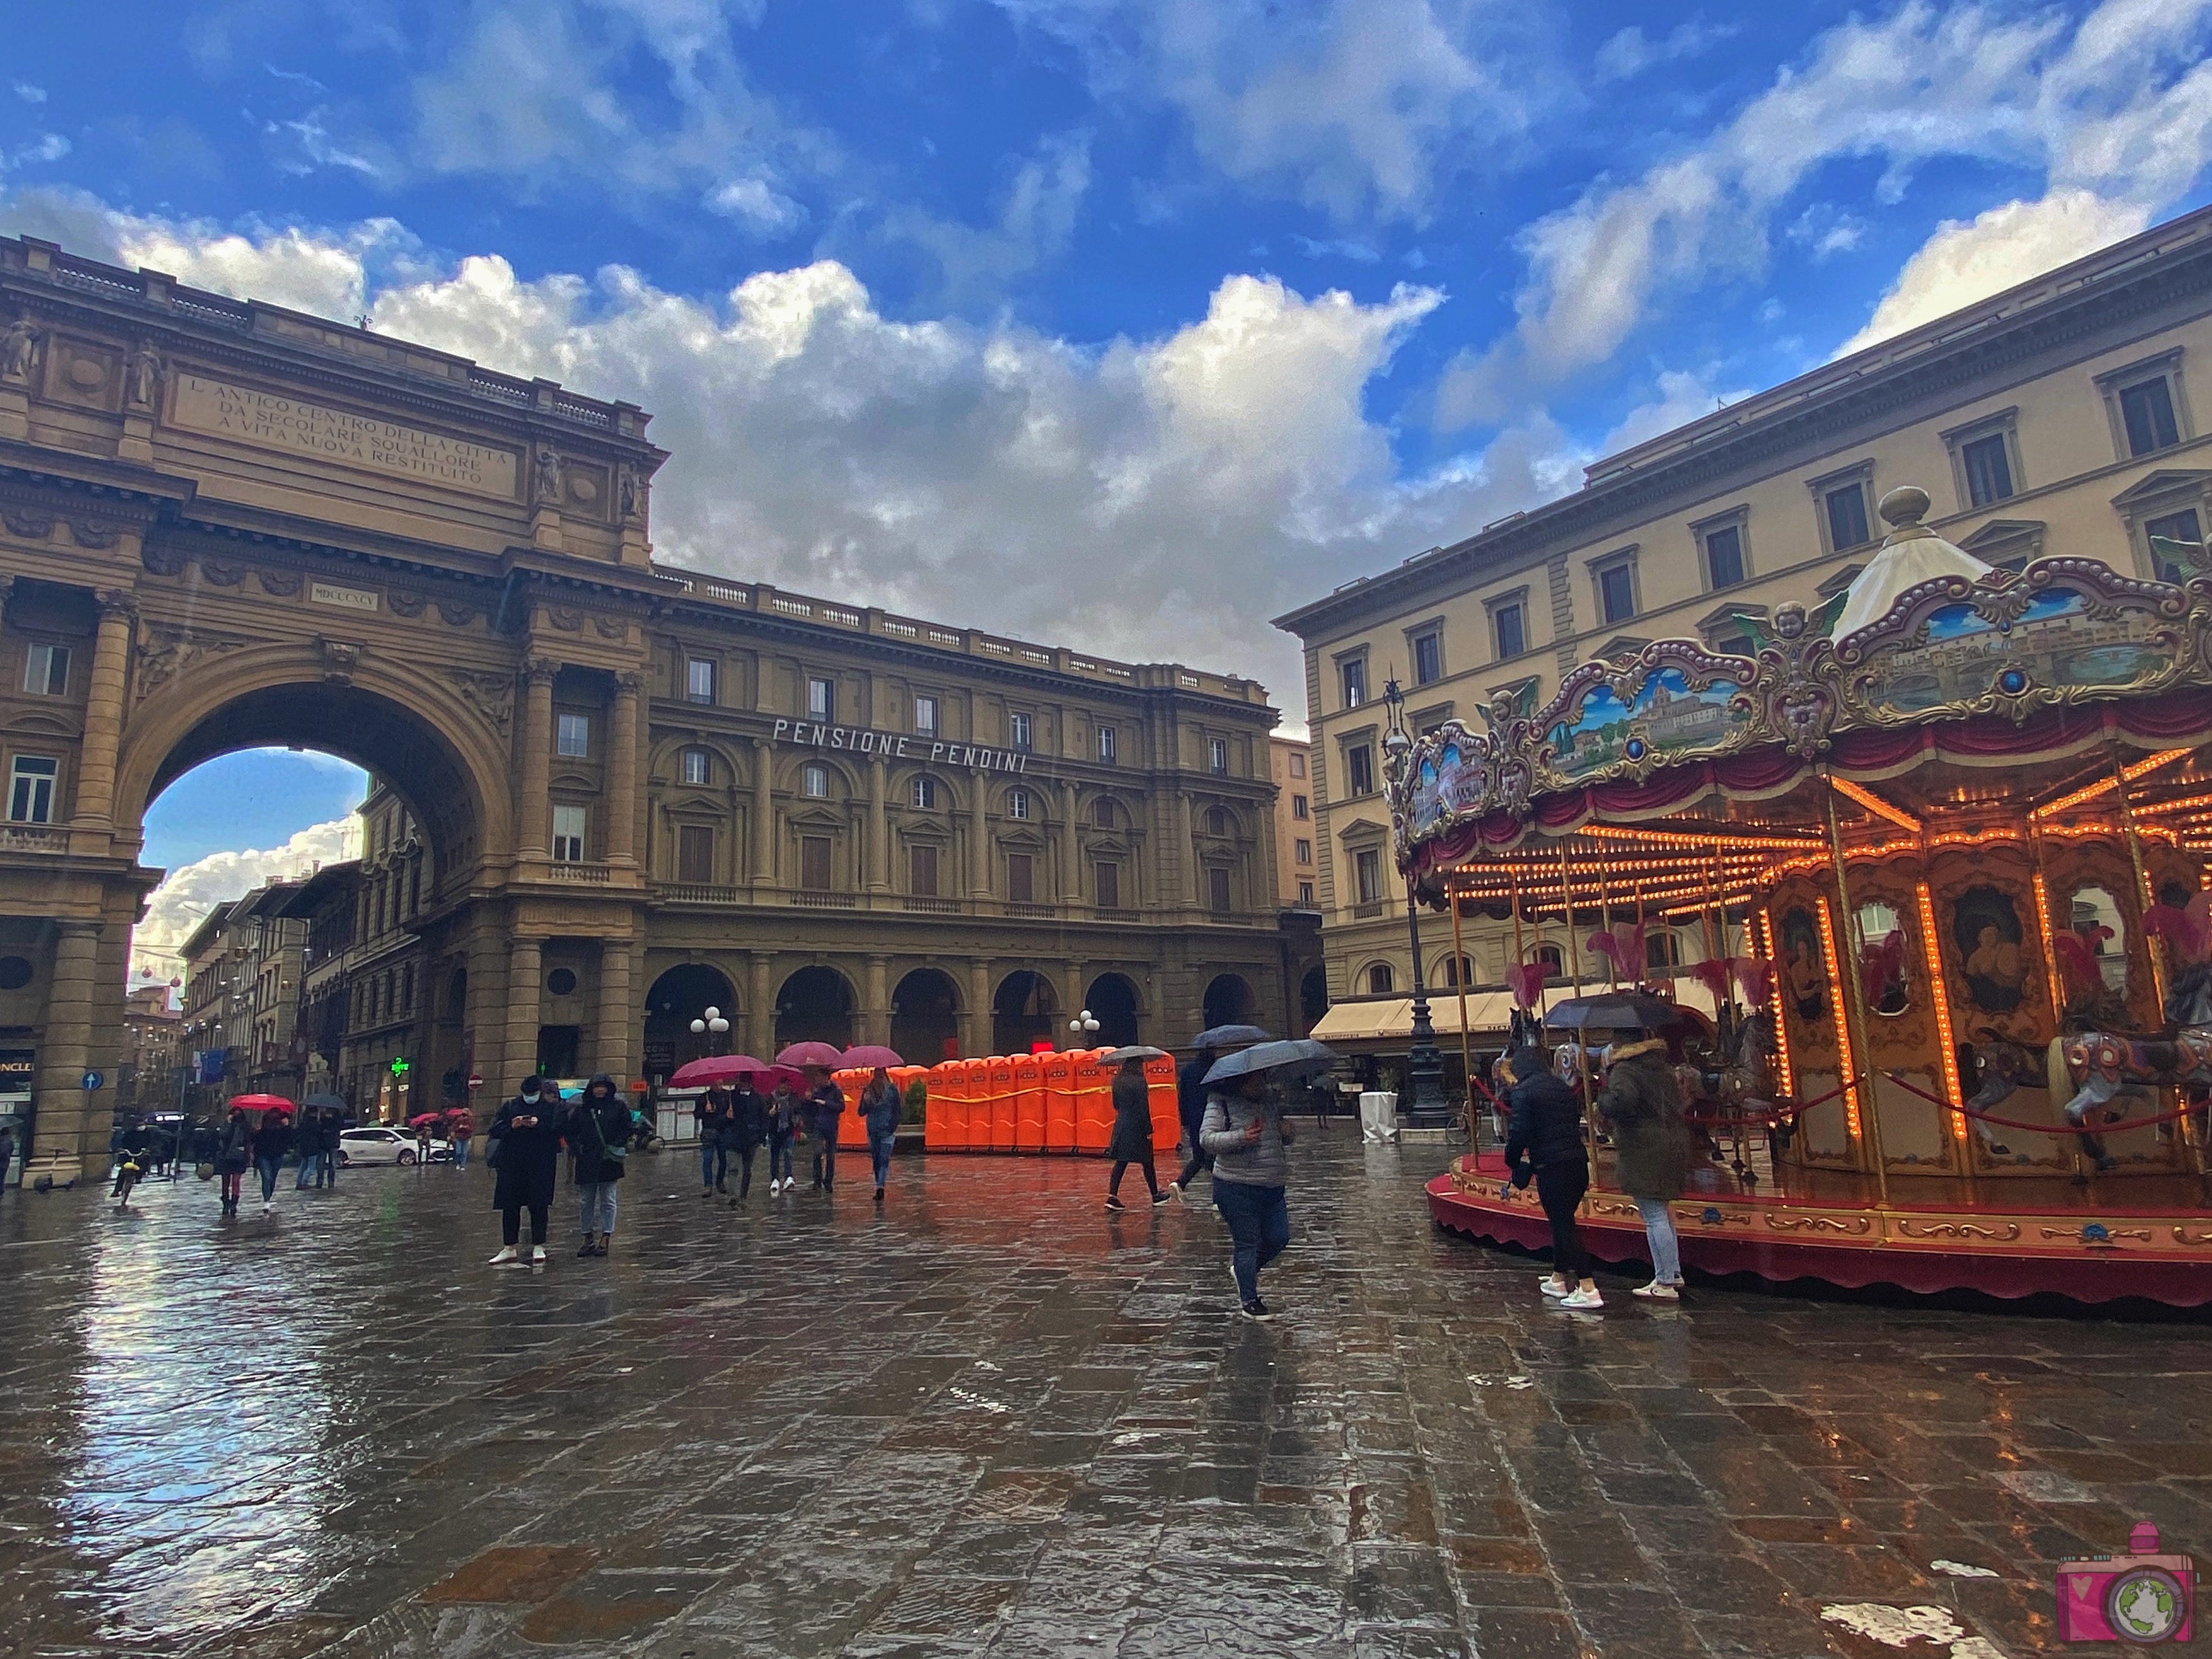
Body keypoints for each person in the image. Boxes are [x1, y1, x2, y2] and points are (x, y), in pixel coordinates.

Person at [1501, 1045, 1600, 1309]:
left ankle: (1588, 1286)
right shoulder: (1561, 1087)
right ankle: (1558, 1278)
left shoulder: (1524, 1091)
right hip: (1577, 1162)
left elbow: (1519, 1130)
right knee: (1561, 1221)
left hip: (1551, 1165)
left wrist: (1511, 1159)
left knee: (1564, 1224)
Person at [1595, 1037, 1690, 1301]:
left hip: (1645, 1146)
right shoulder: (1663, 1069)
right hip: (1672, 1141)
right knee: (1663, 1212)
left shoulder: (1626, 1070)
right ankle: (1672, 1272)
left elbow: (1622, 1103)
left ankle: (1665, 1281)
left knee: (1653, 1215)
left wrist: (1603, 1098)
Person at [1201, 1068, 1296, 1320]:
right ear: (1241, 1082)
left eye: (1263, 1079)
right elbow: (1207, 1140)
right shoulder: (1220, 1102)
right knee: (1247, 1242)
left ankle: (1244, 1271)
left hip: (1273, 1185)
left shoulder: (1270, 1102)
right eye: (1257, 1079)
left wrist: (1287, 1132)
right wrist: (1242, 1137)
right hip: (1235, 1185)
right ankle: (1250, 1301)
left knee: (1279, 1238)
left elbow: (1280, 1140)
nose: (1261, 1084)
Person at [489, 1076, 560, 1266]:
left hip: (540, 1165)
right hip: (512, 1165)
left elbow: (557, 1132)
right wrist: (512, 1126)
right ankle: (509, 1247)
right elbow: (495, 1130)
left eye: (533, 1094)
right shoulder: (511, 1107)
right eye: (527, 1094)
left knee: (539, 1205)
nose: (530, 1097)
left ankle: (539, 1245)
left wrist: (539, 1125)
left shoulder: (550, 1109)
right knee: (510, 1206)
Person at [568, 1074, 630, 1257]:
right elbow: (571, 1132)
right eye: (597, 1087)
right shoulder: (583, 1110)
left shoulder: (618, 1107)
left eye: (603, 1087)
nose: (600, 1090)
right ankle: (587, 1237)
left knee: (608, 1199)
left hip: (608, 1160)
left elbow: (627, 1127)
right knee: (586, 1200)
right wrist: (578, 1149)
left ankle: (606, 1235)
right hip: (587, 1161)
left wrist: (617, 1143)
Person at [1105, 1056, 1167, 1210]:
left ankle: (1112, 1196)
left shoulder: (1117, 1080)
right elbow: (1143, 1108)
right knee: (1147, 1161)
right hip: (1137, 1126)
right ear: (1137, 1066)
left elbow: (1115, 1104)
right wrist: (1148, 1129)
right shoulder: (1139, 1082)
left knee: (1121, 1161)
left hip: (1121, 1124)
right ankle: (1155, 1196)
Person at [1167, 1042, 1217, 1202]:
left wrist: (1184, 1120)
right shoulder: (1215, 1071)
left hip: (1194, 1121)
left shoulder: (1188, 1070)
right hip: (1214, 1120)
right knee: (1216, 1159)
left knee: (1200, 1157)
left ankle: (1180, 1183)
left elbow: (1182, 1097)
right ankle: (1218, 1199)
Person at [857, 1067, 902, 1202]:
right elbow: (861, 1112)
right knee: (876, 1160)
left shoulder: (892, 1090)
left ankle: (880, 1187)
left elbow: (898, 1110)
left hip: (887, 1131)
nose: (879, 1076)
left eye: (881, 1073)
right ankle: (878, 1184)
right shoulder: (868, 1090)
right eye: (877, 1073)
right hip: (873, 1130)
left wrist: (892, 1127)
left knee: (884, 1159)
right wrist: (866, 1101)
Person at [729, 1072, 769, 1202]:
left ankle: (743, 1195)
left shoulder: (758, 1098)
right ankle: (733, 1195)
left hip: (751, 1138)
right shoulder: (732, 1096)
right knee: (733, 1167)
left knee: (747, 1169)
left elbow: (764, 1118)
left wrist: (761, 1137)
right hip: (735, 1137)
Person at [803, 1067, 844, 1190]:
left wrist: (826, 1104)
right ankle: (817, 1180)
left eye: (819, 1076)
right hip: (818, 1126)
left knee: (831, 1156)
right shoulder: (816, 1091)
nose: (817, 1079)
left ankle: (828, 1181)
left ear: (826, 1077)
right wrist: (808, 1101)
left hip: (831, 1126)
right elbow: (810, 1111)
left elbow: (841, 1107)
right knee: (817, 1153)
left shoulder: (836, 1091)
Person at [215, 1106, 251, 1219]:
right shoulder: (226, 1124)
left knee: (236, 1181)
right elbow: (223, 1136)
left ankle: (234, 1204)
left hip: (239, 1157)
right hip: (225, 1157)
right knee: (225, 1181)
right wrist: (229, 1123)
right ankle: (226, 1203)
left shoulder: (245, 1126)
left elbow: (249, 1140)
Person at [767, 1078, 802, 1195]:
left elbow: (798, 1110)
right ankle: (775, 1178)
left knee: (788, 1154)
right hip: (775, 1131)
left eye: (786, 1086)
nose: (783, 1088)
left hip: (788, 1130)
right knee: (775, 1156)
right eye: (781, 1086)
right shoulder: (770, 1098)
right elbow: (764, 1113)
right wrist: (770, 1112)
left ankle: (789, 1176)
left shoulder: (793, 1098)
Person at [697, 1085, 733, 1198]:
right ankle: (708, 1185)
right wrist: (705, 1110)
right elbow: (697, 1114)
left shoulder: (728, 1096)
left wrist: (730, 1116)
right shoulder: (704, 1097)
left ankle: (720, 1182)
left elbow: (733, 1116)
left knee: (724, 1159)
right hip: (709, 1131)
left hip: (723, 1131)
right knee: (708, 1159)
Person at [448, 1105, 475, 1171]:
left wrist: (467, 1127)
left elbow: (472, 1129)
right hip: (459, 1137)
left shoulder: (470, 1120)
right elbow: (454, 1128)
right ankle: (458, 1163)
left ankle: (463, 1165)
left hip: (466, 1137)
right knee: (459, 1152)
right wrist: (459, 1128)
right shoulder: (458, 1120)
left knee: (464, 1152)